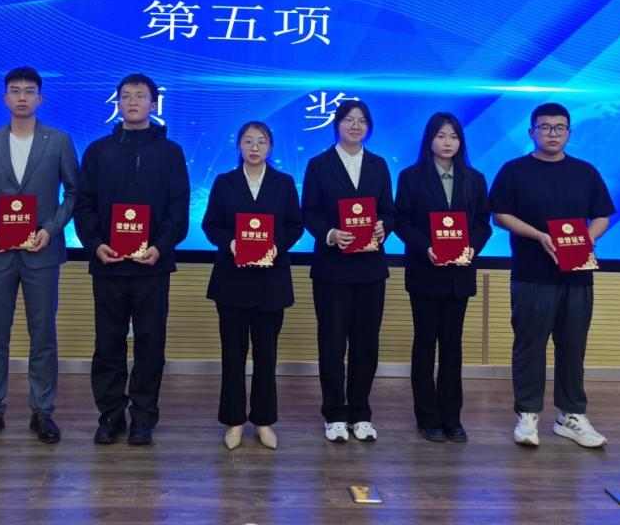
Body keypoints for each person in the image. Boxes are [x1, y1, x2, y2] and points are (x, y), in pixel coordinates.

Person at [0, 67, 79, 446]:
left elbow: (74, 193)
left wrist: (50, 229)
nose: (23, 97)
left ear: (40, 98)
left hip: (41, 252)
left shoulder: (58, 141)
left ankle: (42, 411)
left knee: (42, 334)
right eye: (15, 91)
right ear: (5, 99)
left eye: (30, 91)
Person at [489, 102, 615, 448]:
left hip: (577, 275)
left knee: (573, 346)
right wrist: (540, 236)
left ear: (569, 133)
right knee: (530, 345)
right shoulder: (514, 171)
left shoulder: (585, 172)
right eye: (545, 127)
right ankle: (527, 414)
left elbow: (602, 215)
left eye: (559, 128)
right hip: (532, 273)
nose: (552, 134)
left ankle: (571, 415)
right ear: (531, 132)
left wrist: (586, 239)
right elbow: (499, 215)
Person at [74, 73, 190, 446]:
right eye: (126, 96)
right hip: (108, 265)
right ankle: (110, 415)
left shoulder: (170, 153)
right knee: (108, 343)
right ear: (118, 103)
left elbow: (178, 208)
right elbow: (84, 205)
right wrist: (95, 244)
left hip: (152, 267)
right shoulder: (97, 151)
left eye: (140, 96)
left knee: (150, 344)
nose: (133, 102)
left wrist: (160, 246)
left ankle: (143, 417)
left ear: (153, 104)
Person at [202, 121, 304, 450]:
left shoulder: (284, 183)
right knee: (232, 354)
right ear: (239, 146)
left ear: (270, 147)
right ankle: (234, 420)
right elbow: (211, 225)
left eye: (261, 141)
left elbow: (295, 225)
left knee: (266, 355)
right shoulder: (225, 182)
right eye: (248, 141)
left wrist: (277, 245)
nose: (254, 147)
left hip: (271, 281)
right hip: (232, 280)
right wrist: (231, 242)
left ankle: (263, 420)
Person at [394, 111, 492, 443]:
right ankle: (427, 417)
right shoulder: (411, 177)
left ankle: (452, 416)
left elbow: (483, 224)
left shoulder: (475, 179)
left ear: (461, 142)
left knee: (452, 346)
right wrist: (426, 248)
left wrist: (472, 247)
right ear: (429, 140)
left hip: (459, 275)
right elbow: (401, 222)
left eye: (453, 136)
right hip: (425, 272)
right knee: (424, 344)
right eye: (440, 136)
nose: (447, 142)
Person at [302, 99, 394, 443]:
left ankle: (361, 412)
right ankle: (334, 413)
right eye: (348, 120)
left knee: (366, 344)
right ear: (337, 124)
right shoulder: (318, 164)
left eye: (362, 121)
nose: (355, 126)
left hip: (370, 269)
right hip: (332, 269)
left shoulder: (379, 165)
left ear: (368, 127)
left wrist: (384, 227)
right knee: (332, 342)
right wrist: (329, 234)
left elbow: (390, 211)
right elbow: (308, 211)